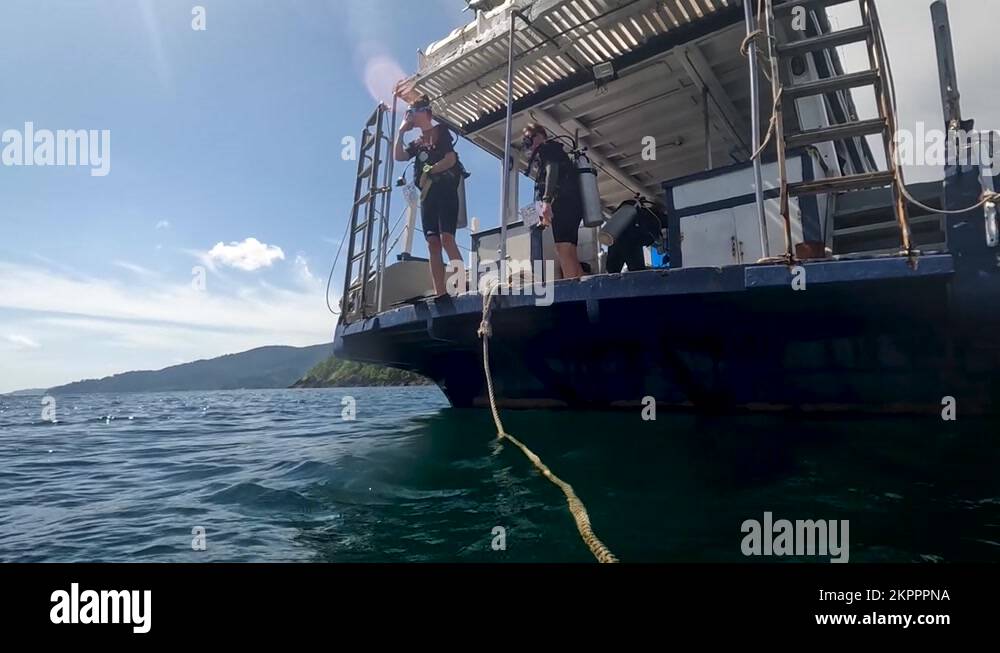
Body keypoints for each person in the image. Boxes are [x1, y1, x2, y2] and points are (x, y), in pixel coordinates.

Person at [394, 94, 464, 296]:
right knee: (432, 242)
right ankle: (440, 292)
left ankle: (462, 286)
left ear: (424, 112)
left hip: (445, 191)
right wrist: (401, 132)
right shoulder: (416, 143)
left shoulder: (441, 131)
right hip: (428, 196)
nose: (410, 117)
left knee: (447, 239)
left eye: (412, 113)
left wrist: (430, 170)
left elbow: (450, 159)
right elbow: (398, 156)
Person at [522, 123, 585, 279]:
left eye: (529, 138)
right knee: (570, 250)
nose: (529, 144)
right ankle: (584, 293)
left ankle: (573, 296)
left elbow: (552, 171)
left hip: (562, 204)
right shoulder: (557, 151)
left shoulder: (547, 149)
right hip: (574, 205)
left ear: (540, 136)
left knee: (562, 249)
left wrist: (546, 201)